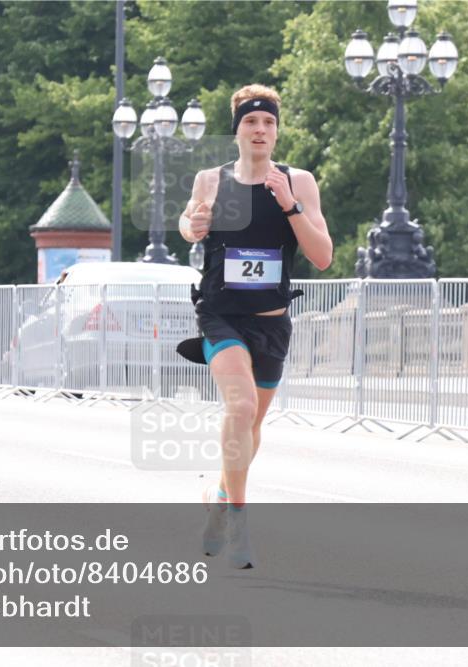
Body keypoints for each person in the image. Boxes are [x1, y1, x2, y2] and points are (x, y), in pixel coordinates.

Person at [177, 84, 332, 568]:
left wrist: (290, 205)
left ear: (277, 131)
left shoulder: (298, 181)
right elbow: (188, 223)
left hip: (272, 320)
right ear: (238, 129)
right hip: (221, 314)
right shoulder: (211, 180)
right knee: (239, 405)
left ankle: (220, 496)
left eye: (268, 123)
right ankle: (238, 523)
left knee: (254, 423)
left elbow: (322, 256)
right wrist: (193, 226)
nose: (260, 130)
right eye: (251, 121)